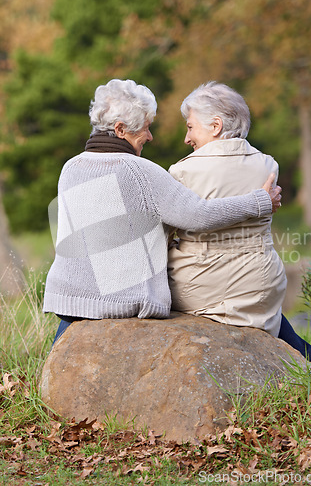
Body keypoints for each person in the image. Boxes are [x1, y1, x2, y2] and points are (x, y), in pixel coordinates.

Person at [43, 78, 281, 346]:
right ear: (121, 129)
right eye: (146, 128)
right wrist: (259, 201)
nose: (150, 136)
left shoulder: (70, 168)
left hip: (66, 300)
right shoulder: (142, 172)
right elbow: (199, 215)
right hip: (118, 304)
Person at [167, 82, 311, 362]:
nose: (187, 138)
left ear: (215, 126)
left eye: (190, 127)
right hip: (262, 285)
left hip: (202, 287)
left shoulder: (182, 171)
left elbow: (164, 235)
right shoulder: (268, 165)